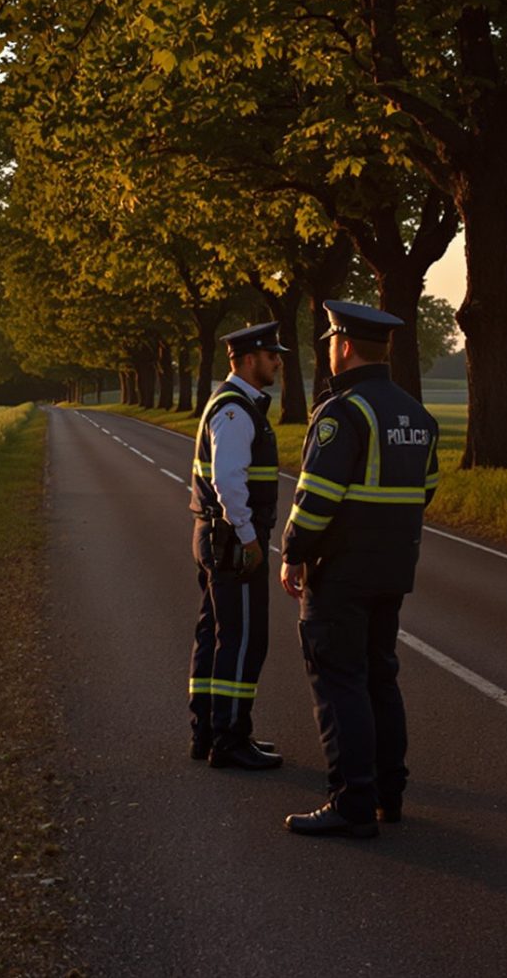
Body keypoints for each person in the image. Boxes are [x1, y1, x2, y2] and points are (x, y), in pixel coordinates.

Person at [279, 300, 441, 838]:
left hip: (341, 572)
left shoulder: (343, 412)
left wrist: (294, 551)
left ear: (343, 346)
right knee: (380, 676)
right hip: (393, 569)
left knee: (340, 681)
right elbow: (427, 490)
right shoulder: (417, 415)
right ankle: (387, 796)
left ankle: (351, 802)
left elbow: (317, 497)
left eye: (330, 341)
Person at [188, 321, 287, 769]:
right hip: (232, 539)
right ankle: (230, 738)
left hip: (217, 535)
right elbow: (228, 481)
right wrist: (248, 537)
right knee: (244, 639)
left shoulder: (235, 405)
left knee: (215, 634)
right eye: (271, 356)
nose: (278, 363)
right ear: (249, 361)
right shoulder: (235, 411)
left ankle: (208, 731)